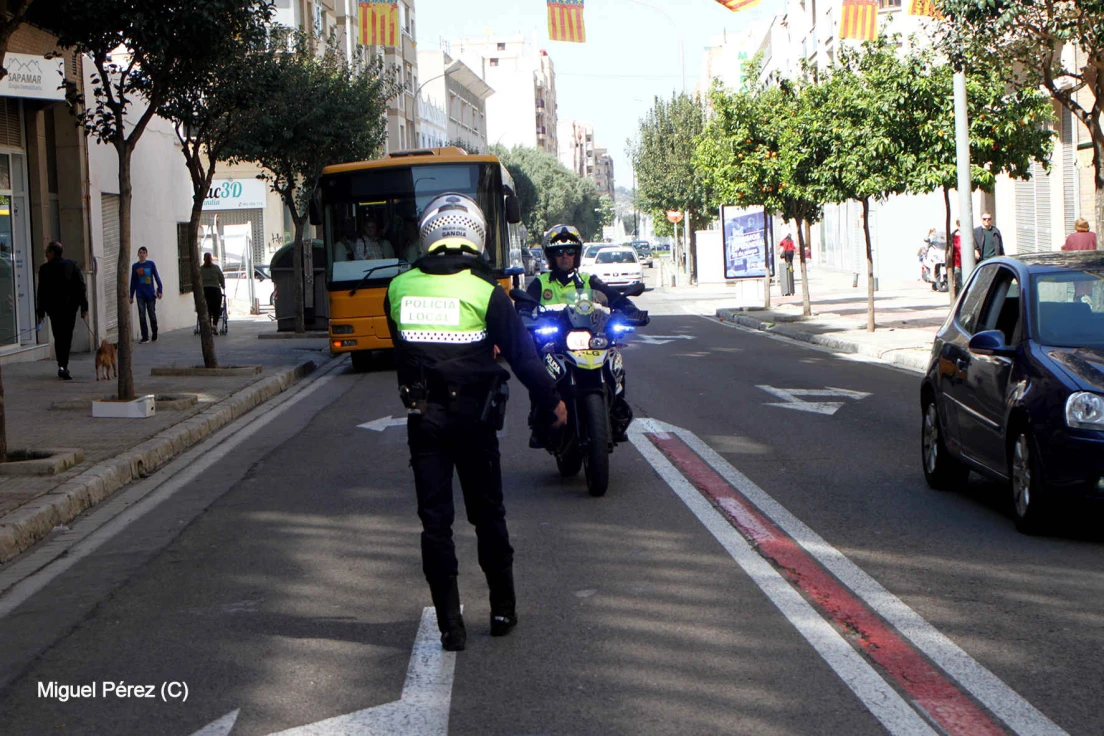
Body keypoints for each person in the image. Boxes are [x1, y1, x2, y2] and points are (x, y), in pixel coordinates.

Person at [384, 193, 568, 652]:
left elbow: (404, 356)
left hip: (423, 420)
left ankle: (450, 627)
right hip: (476, 420)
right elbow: (525, 361)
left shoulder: (398, 288)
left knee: (435, 524)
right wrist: (553, 403)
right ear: (477, 237)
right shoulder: (488, 293)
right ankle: (502, 610)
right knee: (488, 515)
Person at [525, 224, 647, 446]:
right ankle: (541, 421)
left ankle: (616, 412)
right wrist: (523, 315)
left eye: (570, 251)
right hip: (554, 343)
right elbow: (525, 305)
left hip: (587, 340)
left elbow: (613, 297)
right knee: (537, 371)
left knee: (614, 361)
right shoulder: (540, 283)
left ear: (577, 254)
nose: (565, 256)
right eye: (559, 252)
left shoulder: (588, 280)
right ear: (550, 256)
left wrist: (630, 310)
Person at [35, 241, 88, 380]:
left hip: (54, 310)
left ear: (52, 253)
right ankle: (64, 364)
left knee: (58, 336)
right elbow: (81, 287)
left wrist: (40, 313)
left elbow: (41, 293)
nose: (45, 255)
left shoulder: (45, 269)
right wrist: (84, 307)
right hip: (70, 309)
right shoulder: (71, 265)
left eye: (47, 252)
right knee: (66, 336)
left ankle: (62, 365)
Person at [129, 246, 163, 343]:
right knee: (142, 315)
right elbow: (133, 281)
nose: (142, 254)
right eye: (140, 252)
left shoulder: (151, 264)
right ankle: (145, 336)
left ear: (146, 254)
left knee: (152, 313)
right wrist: (131, 295)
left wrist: (160, 290)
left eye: (144, 252)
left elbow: (156, 277)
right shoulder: (135, 266)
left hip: (150, 294)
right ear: (138, 254)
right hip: (140, 294)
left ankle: (154, 331)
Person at [200, 252, 225, 332]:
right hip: (215, 290)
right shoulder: (216, 268)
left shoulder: (201, 269)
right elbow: (221, 278)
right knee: (216, 308)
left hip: (205, 290)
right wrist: (223, 285)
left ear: (204, 259)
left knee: (207, 309)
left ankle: (208, 325)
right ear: (211, 259)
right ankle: (214, 325)